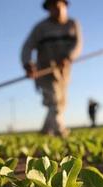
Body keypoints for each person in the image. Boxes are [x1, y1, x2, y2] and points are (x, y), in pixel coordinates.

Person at [21, 0, 82, 137]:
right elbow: (27, 47)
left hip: (63, 72)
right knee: (53, 100)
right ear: (48, 9)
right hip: (45, 71)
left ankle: (45, 131)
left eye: (59, 5)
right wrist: (28, 64)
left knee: (61, 103)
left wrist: (69, 57)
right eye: (53, 7)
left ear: (65, 6)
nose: (57, 9)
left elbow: (77, 44)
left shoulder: (73, 24)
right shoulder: (40, 28)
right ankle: (60, 131)